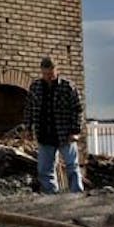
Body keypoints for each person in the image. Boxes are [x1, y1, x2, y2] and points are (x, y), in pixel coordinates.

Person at [23, 56, 84, 194]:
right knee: (45, 169)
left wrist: (75, 131)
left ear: (56, 70)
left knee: (72, 166)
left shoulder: (67, 86)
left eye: (50, 74)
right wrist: (27, 128)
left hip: (64, 134)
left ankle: (77, 194)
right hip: (45, 133)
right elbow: (29, 108)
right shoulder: (36, 87)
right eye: (44, 74)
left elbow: (77, 109)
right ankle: (52, 196)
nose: (47, 77)